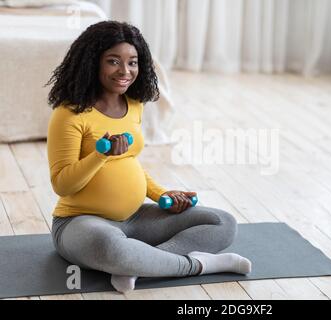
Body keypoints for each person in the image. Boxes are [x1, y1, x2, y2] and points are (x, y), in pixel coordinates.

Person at [45, 21, 251, 293]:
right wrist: (100, 154)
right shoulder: (69, 113)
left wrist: (162, 196)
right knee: (110, 247)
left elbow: (131, 166)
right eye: (113, 61)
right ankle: (198, 265)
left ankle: (137, 265)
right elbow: (62, 184)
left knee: (223, 222)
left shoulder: (133, 105)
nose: (125, 71)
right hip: (82, 223)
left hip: (136, 219)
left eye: (133, 62)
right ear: (92, 62)